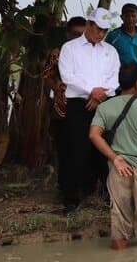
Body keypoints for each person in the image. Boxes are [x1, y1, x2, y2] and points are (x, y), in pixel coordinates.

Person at [89, 63, 137, 250]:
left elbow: (94, 135)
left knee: (120, 219)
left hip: (119, 170)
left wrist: (115, 158)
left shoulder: (105, 107)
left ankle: (120, 254)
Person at [58, 7, 120, 214]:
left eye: (105, 30)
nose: (101, 34)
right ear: (89, 25)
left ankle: (108, 192)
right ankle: (71, 198)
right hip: (79, 104)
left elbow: (114, 78)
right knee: (76, 148)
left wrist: (100, 93)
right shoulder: (70, 48)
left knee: (105, 148)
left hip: (104, 104)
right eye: (98, 29)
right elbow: (67, 76)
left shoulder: (110, 51)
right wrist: (90, 91)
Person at [45, 16, 87, 198]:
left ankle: (85, 186)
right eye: (76, 34)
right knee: (65, 149)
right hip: (63, 108)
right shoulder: (58, 53)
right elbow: (47, 75)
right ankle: (65, 188)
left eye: (83, 34)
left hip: (86, 108)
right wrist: (58, 88)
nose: (80, 38)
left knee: (86, 147)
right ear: (68, 33)